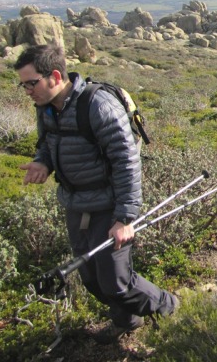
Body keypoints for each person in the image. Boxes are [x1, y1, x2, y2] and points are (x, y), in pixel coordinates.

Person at [14, 45, 177, 344]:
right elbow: (48, 143)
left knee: (117, 282)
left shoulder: (98, 105)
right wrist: (43, 162)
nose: (27, 91)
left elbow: (127, 161)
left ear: (54, 76)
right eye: (22, 84)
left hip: (109, 206)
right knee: (90, 277)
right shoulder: (47, 107)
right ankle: (128, 322)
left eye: (31, 82)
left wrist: (125, 218)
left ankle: (174, 312)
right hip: (75, 204)